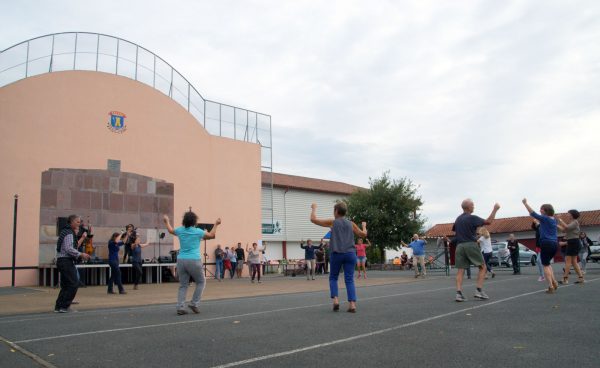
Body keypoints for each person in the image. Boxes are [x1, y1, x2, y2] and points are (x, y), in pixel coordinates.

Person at [310, 202, 367, 313]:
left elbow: (313, 219)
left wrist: (314, 208)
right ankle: (352, 305)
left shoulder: (333, 222)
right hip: (350, 254)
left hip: (337, 253)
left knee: (333, 277)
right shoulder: (351, 224)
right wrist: (364, 226)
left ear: (336, 211)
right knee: (349, 279)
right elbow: (363, 234)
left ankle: (336, 300)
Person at [164, 212, 221, 315]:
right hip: (194, 260)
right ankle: (194, 303)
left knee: (183, 285)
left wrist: (166, 221)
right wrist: (216, 224)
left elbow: (170, 230)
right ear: (194, 221)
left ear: (184, 220)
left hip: (181, 260)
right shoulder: (197, 231)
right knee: (201, 282)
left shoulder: (180, 230)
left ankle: (180, 307)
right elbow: (212, 235)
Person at [453, 199, 500, 302]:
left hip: (459, 246)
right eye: (473, 205)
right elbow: (489, 221)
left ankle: (458, 293)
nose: (474, 207)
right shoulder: (471, 218)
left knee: (460, 270)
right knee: (483, 267)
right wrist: (495, 209)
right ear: (468, 207)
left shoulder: (458, 219)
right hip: (470, 244)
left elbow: (456, 233)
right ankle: (478, 291)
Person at [54, 215, 91, 312]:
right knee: (74, 283)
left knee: (66, 285)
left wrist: (82, 238)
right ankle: (65, 306)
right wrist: (81, 254)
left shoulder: (65, 231)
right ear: (72, 222)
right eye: (78, 222)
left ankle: (59, 306)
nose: (79, 224)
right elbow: (69, 249)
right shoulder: (69, 233)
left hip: (62, 260)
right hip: (66, 261)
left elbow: (72, 246)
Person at [522, 199, 559, 294]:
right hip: (554, 243)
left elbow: (532, 213)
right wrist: (538, 223)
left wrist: (525, 203)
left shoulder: (545, 218)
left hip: (546, 243)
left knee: (545, 265)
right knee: (548, 264)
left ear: (546, 211)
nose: (540, 210)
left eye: (541, 209)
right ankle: (554, 282)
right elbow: (542, 227)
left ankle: (550, 286)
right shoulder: (553, 220)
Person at [557, 210, 585, 284]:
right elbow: (564, 230)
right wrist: (556, 224)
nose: (567, 215)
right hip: (572, 242)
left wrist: (560, 219)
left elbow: (566, 227)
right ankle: (581, 278)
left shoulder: (575, 222)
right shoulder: (572, 223)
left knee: (568, 261)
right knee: (574, 262)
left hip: (573, 242)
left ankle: (565, 279)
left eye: (568, 214)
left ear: (572, 215)